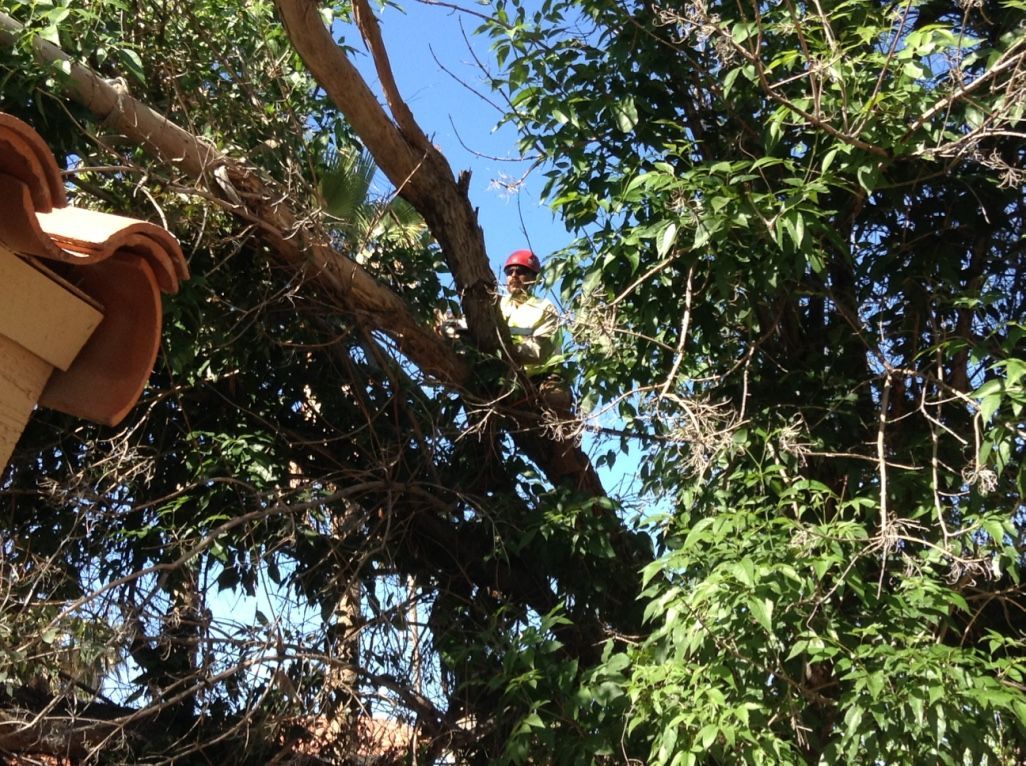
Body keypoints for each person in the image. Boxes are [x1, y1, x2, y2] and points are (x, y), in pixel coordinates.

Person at [499, 249, 573, 421]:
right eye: (509, 272)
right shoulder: (498, 305)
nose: (514, 275)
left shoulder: (545, 308)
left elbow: (537, 352)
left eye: (521, 271)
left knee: (557, 398)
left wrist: (502, 348)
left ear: (534, 277)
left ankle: (559, 437)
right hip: (507, 374)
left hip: (543, 378)